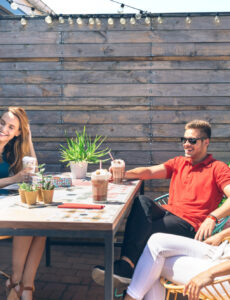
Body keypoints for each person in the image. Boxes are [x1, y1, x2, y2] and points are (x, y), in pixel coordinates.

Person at [92, 119, 230, 287]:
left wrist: (213, 217)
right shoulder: (179, 162)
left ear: (206, 142)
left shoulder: (218, 168)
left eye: (192, 140)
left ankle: (126, 268)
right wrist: (124, 174)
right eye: (184, 140)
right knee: (141, 202)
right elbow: (150, 172)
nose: (186, 144)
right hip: (168, 213)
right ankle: (128, 267)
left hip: (189, 225)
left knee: (144, 232)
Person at [0, 107, 46, 300]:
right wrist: (15, 179)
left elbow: (33, 170)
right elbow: (18, 178)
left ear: (17, 133)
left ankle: (26, 286)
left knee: (42, 227)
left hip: (6, 205)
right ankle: (17, 281)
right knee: (27, 222)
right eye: (2, 122)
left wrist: (29, 139)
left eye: (11, 127)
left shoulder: (8, 151)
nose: (4, 128)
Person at [124, 228, 230, 300]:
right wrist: (221, 235)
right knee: (155, 249)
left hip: (224, 276)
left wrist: (210, 273)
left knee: (154, 261)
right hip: (221, 253)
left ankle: (130, 298)